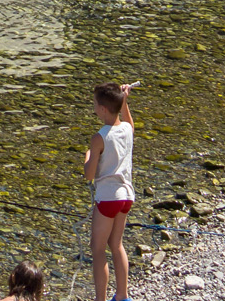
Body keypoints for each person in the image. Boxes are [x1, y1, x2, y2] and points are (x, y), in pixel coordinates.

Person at [85, 82, 134, 301]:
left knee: (97, 249)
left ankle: (100, 299)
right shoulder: (126, 128)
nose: (94, 107)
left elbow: (89, 174)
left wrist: (87, 155)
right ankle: (123, 296)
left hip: (107, 199)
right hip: (126, 197)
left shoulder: (99, 137)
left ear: (103, 109)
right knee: (116, 245)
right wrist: (124, 101)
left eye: (95, 104)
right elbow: (127, 120)